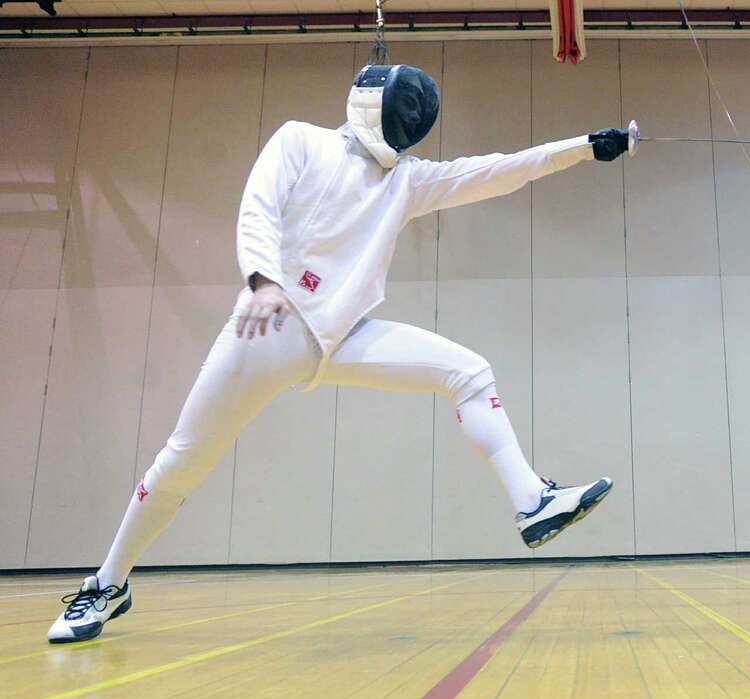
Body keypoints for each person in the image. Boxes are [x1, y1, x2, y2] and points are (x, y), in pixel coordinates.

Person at [47, 64, 630, 644]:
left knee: (468, 371)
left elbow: (497, 172)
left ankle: (531, 501)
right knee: (181, 463)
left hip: (346, 336)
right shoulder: (300, 139)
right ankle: (107, 584)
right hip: (268, 331)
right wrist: (262, 279)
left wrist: (582, 148)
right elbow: (258, 208)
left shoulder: (407, 179)